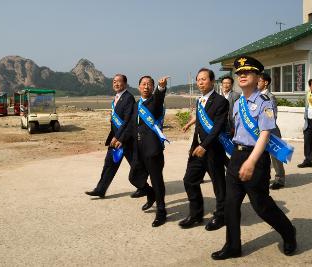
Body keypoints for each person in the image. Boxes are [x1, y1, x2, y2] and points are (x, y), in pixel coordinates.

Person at [212, 56, 296, 260]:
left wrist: (251, 161)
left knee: (262, 206)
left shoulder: (264, 102)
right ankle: (233, 246)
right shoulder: (238, 103)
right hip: (236, 156)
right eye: (239, 73)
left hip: (255, 158)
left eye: (246, 72)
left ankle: (288, 232)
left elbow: (265, 135)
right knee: (231, 205)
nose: (241, 76)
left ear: (257, 76)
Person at [178, 68, 229, 230]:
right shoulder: (199, 101)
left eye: (204, 79)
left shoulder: (221, 101)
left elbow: (218, 128)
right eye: (198, 79)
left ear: (212, 81)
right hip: (197, 150)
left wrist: (204, 146)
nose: (200, 82)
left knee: (218, 185)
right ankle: (196, 214)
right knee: (189, 180)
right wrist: (194, 145)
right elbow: (199, 125)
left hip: (213, 150)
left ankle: (221, 216)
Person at [116, 75, 169, 227]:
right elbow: (132, 127)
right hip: (137, 150)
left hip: (153, 150)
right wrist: (121, 139)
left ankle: (161, 212)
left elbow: (159, 97)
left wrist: (161, 87)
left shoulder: (155, 102)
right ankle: (150, 193)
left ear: (152, 87)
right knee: (134, 177)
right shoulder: (136, 105)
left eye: (149, 85)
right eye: (143, 84)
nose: (146, 87)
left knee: (157, 181)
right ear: (139, 87)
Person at [85, 74, 145, 198]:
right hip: (116, 138)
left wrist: (119, 138)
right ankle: (100, 189)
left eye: (119, 81)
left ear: (125, 84)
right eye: (114, 82)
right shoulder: (117, 98)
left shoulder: (128, 98)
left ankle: (143, 187)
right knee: (109, 164)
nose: (116, 84)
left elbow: (128, 121)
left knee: (135, 165)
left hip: (125, 140)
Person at [258, 73, 286, 189]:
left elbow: (272, 116)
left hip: (271, 130)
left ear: (266, 82)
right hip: (258, 131)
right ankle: (264, 178)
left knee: (276, 156)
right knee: (262, 157)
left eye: (259, 81)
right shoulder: (254, 96)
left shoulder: (270, 97)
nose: (256, 82)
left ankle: (280, 180)